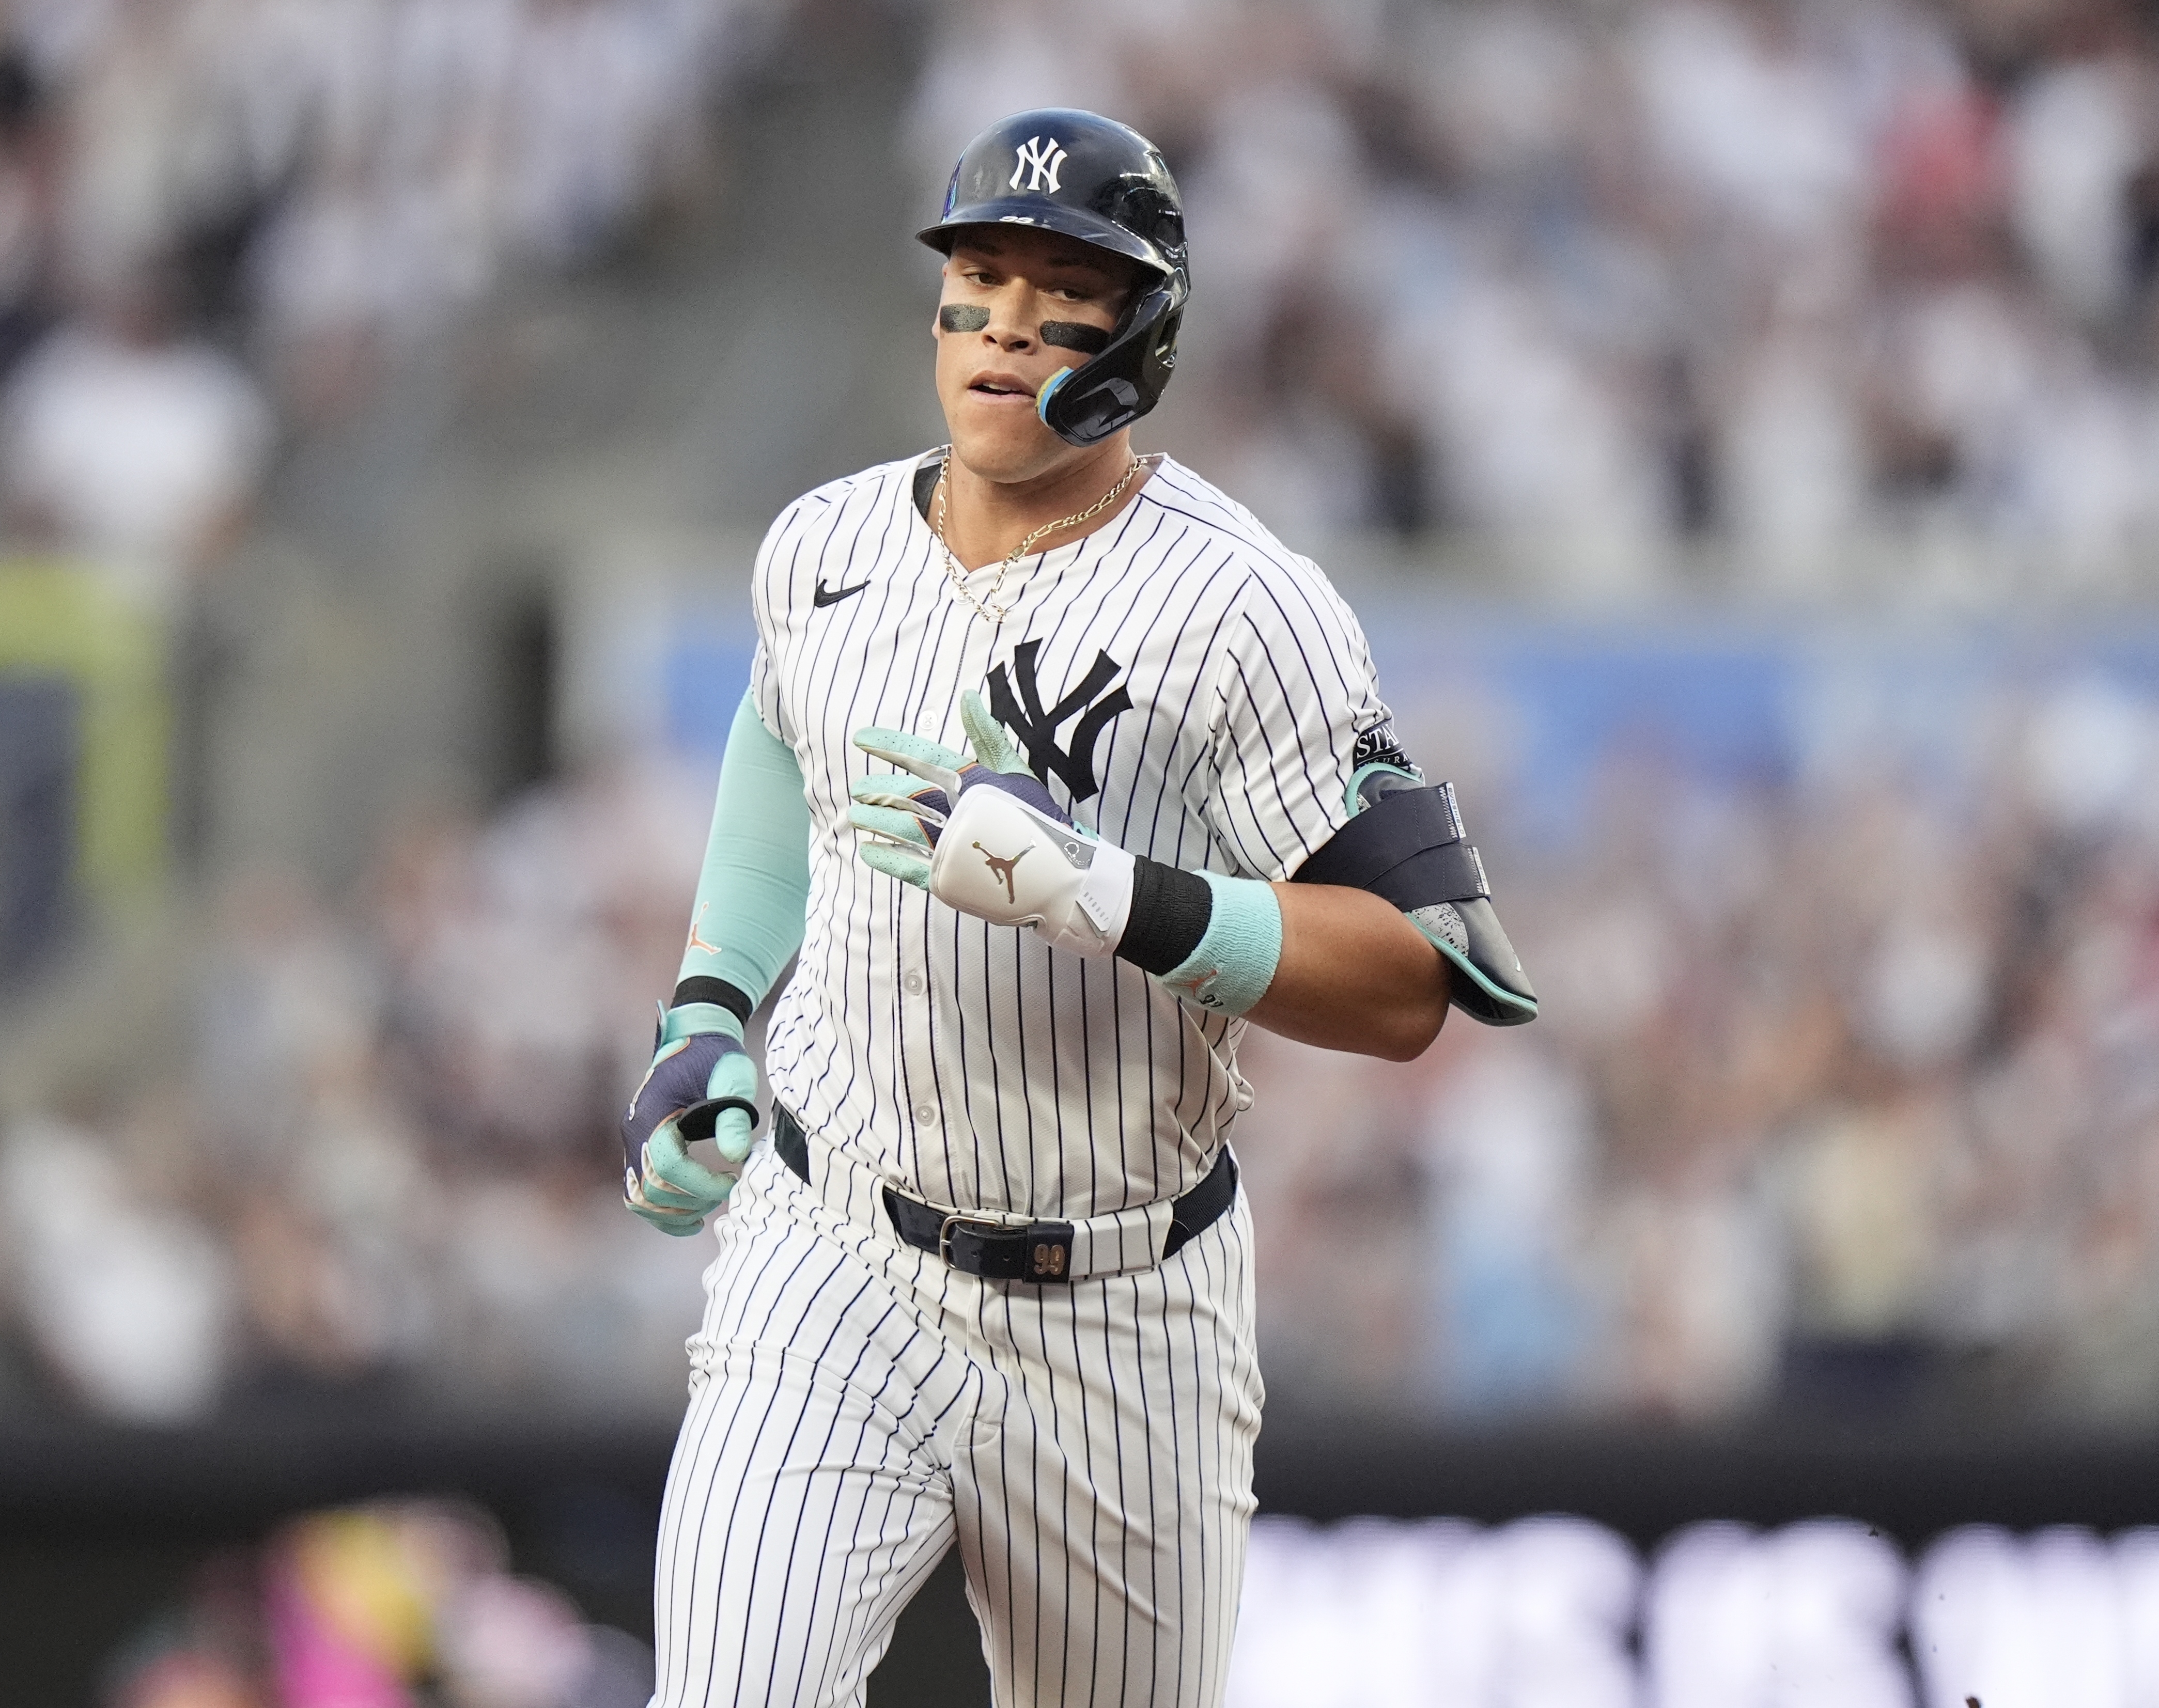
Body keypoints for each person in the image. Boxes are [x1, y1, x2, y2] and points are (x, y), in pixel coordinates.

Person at [620, 107, 1536, 1707]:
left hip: (1121, 1309)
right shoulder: (822, 546)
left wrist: (1105, 891)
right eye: (980, 279)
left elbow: (1407, 981)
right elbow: (783, 742)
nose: (1008, 327)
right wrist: (707, 1007)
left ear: (1142, 337)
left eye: (1065, 292)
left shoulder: (1246, 609)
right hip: (831, 1252)